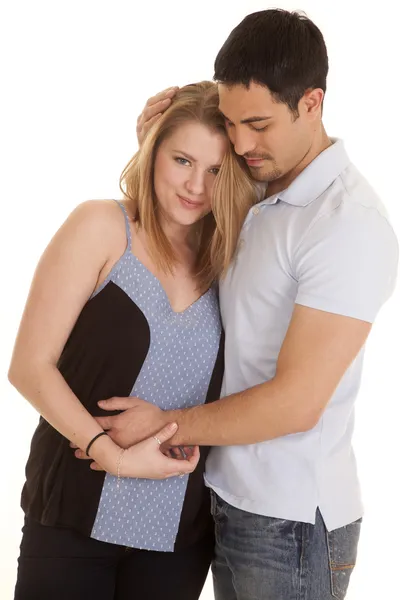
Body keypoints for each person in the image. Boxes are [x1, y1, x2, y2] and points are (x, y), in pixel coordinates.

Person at [89, 9, 399, 600]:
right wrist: (159, 145)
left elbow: (297, 403)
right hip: (226, 498)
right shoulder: (256, 186)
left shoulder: (347, 225)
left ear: (311, 103)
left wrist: (166, 424)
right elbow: (178, 228)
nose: (241, 143)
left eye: (258, 124)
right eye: (231, 123)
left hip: (291, 523)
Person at [8, 81, 257, 600]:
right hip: (72, 517)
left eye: (216, 171)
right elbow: (30, 366)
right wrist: (113, 456)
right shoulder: (102, 227)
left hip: (177, 537)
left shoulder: (231, 260)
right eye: (182, 160)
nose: (195, 186)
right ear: (152, 151)